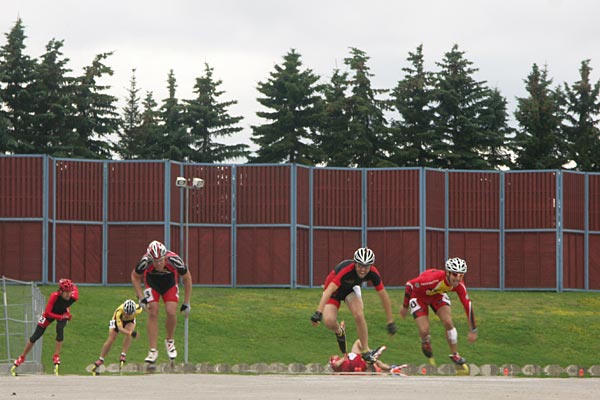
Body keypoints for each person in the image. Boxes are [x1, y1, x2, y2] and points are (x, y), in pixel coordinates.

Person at [311, 247, 397, 363]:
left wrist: (390, 321)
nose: (362, 270)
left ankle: (365, 350)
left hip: (350, 289)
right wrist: (318, 313)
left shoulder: (373, 273)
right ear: (355, 263)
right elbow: (328, 291)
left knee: (359, 314)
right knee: (329, 321)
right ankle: (339, 331)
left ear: (371, 266)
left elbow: (384, 296)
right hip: (334, 290)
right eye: (360, 266)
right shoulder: (346, 270)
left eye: (366, 267)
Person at [399, 257, 478, 367]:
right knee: (424, 330)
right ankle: (425, 340)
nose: (458, 279)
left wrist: (473, 329)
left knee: (448, 322)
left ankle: (455, 354)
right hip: (419, 297)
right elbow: (410, 285)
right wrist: (404, 306)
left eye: (461, 275)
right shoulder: (432, 279)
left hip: (437, 295)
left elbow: (467, 304)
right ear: (447, 272)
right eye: (455, 275)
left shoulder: (460, 284)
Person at [131, 240, 192, 363]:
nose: (158, 264)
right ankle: (153, 350)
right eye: (155, 261)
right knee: (153, 311)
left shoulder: (174, 260)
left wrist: (186, 302)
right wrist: (141, 297)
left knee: (171, 311)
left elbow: (187, 278)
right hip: (152, 283)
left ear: (165, 256)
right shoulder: (145, 261)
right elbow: (134, 276)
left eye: (160, 260)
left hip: (169, 283)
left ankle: (169, 341)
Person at [11, 278, 79, 376]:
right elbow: (47, 312)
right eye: (66, 292)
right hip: (49, 314)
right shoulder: (54, 296)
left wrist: (66, 314)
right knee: (36, 336)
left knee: (60, 329)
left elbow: (74, 290)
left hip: (63, 313)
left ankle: (56, 355)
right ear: (60, 291)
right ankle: (22, 357)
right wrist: (61, 316)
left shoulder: (74, 296)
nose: (68, 295)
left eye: (70, 292)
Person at [328, 322, 406, 375]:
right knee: (371, 360)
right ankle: (370, 354)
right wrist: (345, 357)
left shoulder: (340, 361)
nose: (334, 355)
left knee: (375, 362)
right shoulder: (335, 362)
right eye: (333, 356)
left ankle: (390, 368)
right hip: (353, 362)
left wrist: (342, 330)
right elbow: (336, 364)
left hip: (354, 360)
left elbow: (341, 343)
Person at [91, 298, 143, 375]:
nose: (127, 316)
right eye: (126, 314)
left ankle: (123, 355)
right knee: (111, 339)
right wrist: (131, 333)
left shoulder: (138, 309)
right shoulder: (119, 312)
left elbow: (146, 306)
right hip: (117, 321)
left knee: (129, 333)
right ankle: (101, 359)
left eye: (129, 314)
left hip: (130, 322)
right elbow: (120, 329)